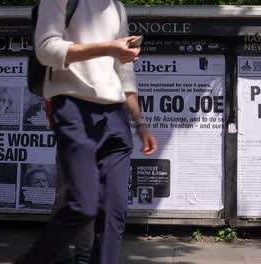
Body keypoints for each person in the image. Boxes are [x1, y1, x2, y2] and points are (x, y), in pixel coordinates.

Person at [15, 0, 157, 264]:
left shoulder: (116, 7)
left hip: (115, 115)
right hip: (73, 107)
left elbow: (124, 72)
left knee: (113, 212)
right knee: (83, 205)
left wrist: (140, 123)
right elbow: (46, 49)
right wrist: (107, 48)